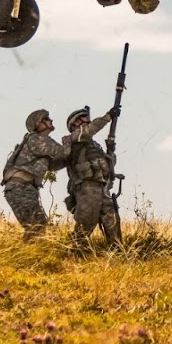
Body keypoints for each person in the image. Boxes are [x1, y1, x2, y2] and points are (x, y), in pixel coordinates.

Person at [0, 109, 72, 238]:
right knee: (36, 227)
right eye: (47, 119)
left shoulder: (40, 141)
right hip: (21, 188)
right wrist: (71, 140)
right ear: (38, 123)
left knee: (38, 226)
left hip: (23, 188)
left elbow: (53, 165)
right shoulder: (37, 139)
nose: (51, 121)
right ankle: (25, 256)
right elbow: (63, 152)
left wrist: (68, 160)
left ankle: (28, 254)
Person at [62, 105, 122, 247]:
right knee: (86, 222)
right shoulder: (73, 138)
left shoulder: (94, 146)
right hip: (87, 187)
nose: (87, 119)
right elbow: (90, 130)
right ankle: (73, 251)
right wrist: (108, 117)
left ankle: (118, 252)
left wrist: (110, 152)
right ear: (74, 123)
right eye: (83, 117)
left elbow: (109, 166)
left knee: (112, 220)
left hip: (102, 187)